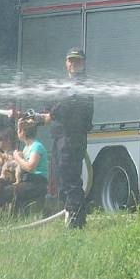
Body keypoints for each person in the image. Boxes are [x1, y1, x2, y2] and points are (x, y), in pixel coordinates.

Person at [37, 48, 94, 229]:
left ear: (83, 63)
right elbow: (51, 104)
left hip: (72, 136)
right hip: (61, 137)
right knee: (62, 178)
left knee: (70, 179)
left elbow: (67, 104)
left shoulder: (82, 84)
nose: (73, 64)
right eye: (70, 60)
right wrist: (38, 117)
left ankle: (76, 222)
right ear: (65, 62)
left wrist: (51, 115)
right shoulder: (63, 85)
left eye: (77, 61)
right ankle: (71, 215)